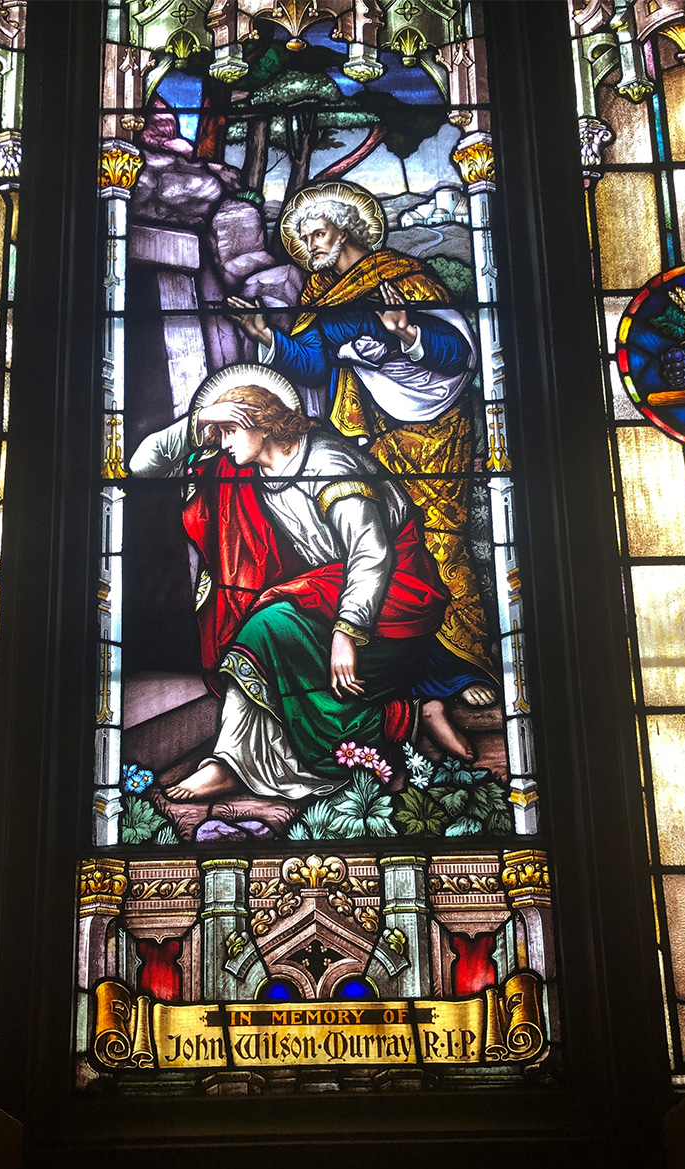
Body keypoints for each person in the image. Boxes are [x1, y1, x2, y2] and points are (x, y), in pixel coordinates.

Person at [227, 182, 497, 749]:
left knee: (441, 539)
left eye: (318, 233)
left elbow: (458, 351)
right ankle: (415, 689)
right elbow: (312, 363)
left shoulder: (399, 277)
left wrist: (411, 333)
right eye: (302, 238)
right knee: (396, 548)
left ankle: (461, 670)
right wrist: (269, 340)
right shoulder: (324, 293)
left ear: (345, 228)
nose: (310, 246)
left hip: (433, 426)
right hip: (372, 429)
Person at [128, 365, 467, 802]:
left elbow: (372, 551)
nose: (223, 443)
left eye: (230, 430)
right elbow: (141, 465)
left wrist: (346, 633)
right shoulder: (244, 467)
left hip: (392, 596)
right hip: (326, 592)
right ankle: (409, 717)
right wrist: (199, 423)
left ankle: (228, 763)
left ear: (259, 421)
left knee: (266, 630)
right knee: (280, 659)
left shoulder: (328, 461)